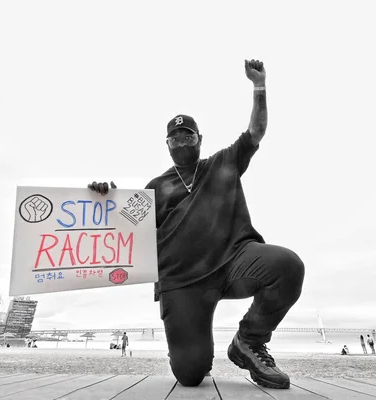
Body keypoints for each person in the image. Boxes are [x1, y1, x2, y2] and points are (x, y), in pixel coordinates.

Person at [88, 59, 305, 389]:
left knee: (287, 266)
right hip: (181, 281)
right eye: (173, 137)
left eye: (186, 134)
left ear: (199, 138)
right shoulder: (156, 187)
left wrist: (258, 86)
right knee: (190, 374)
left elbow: (256, 132)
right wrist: (103, 198)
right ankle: (194, 354)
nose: (180, 140)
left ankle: (249, 341)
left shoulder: (222, 164)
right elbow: (125, 228)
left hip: (234, 261)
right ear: (167, 145)